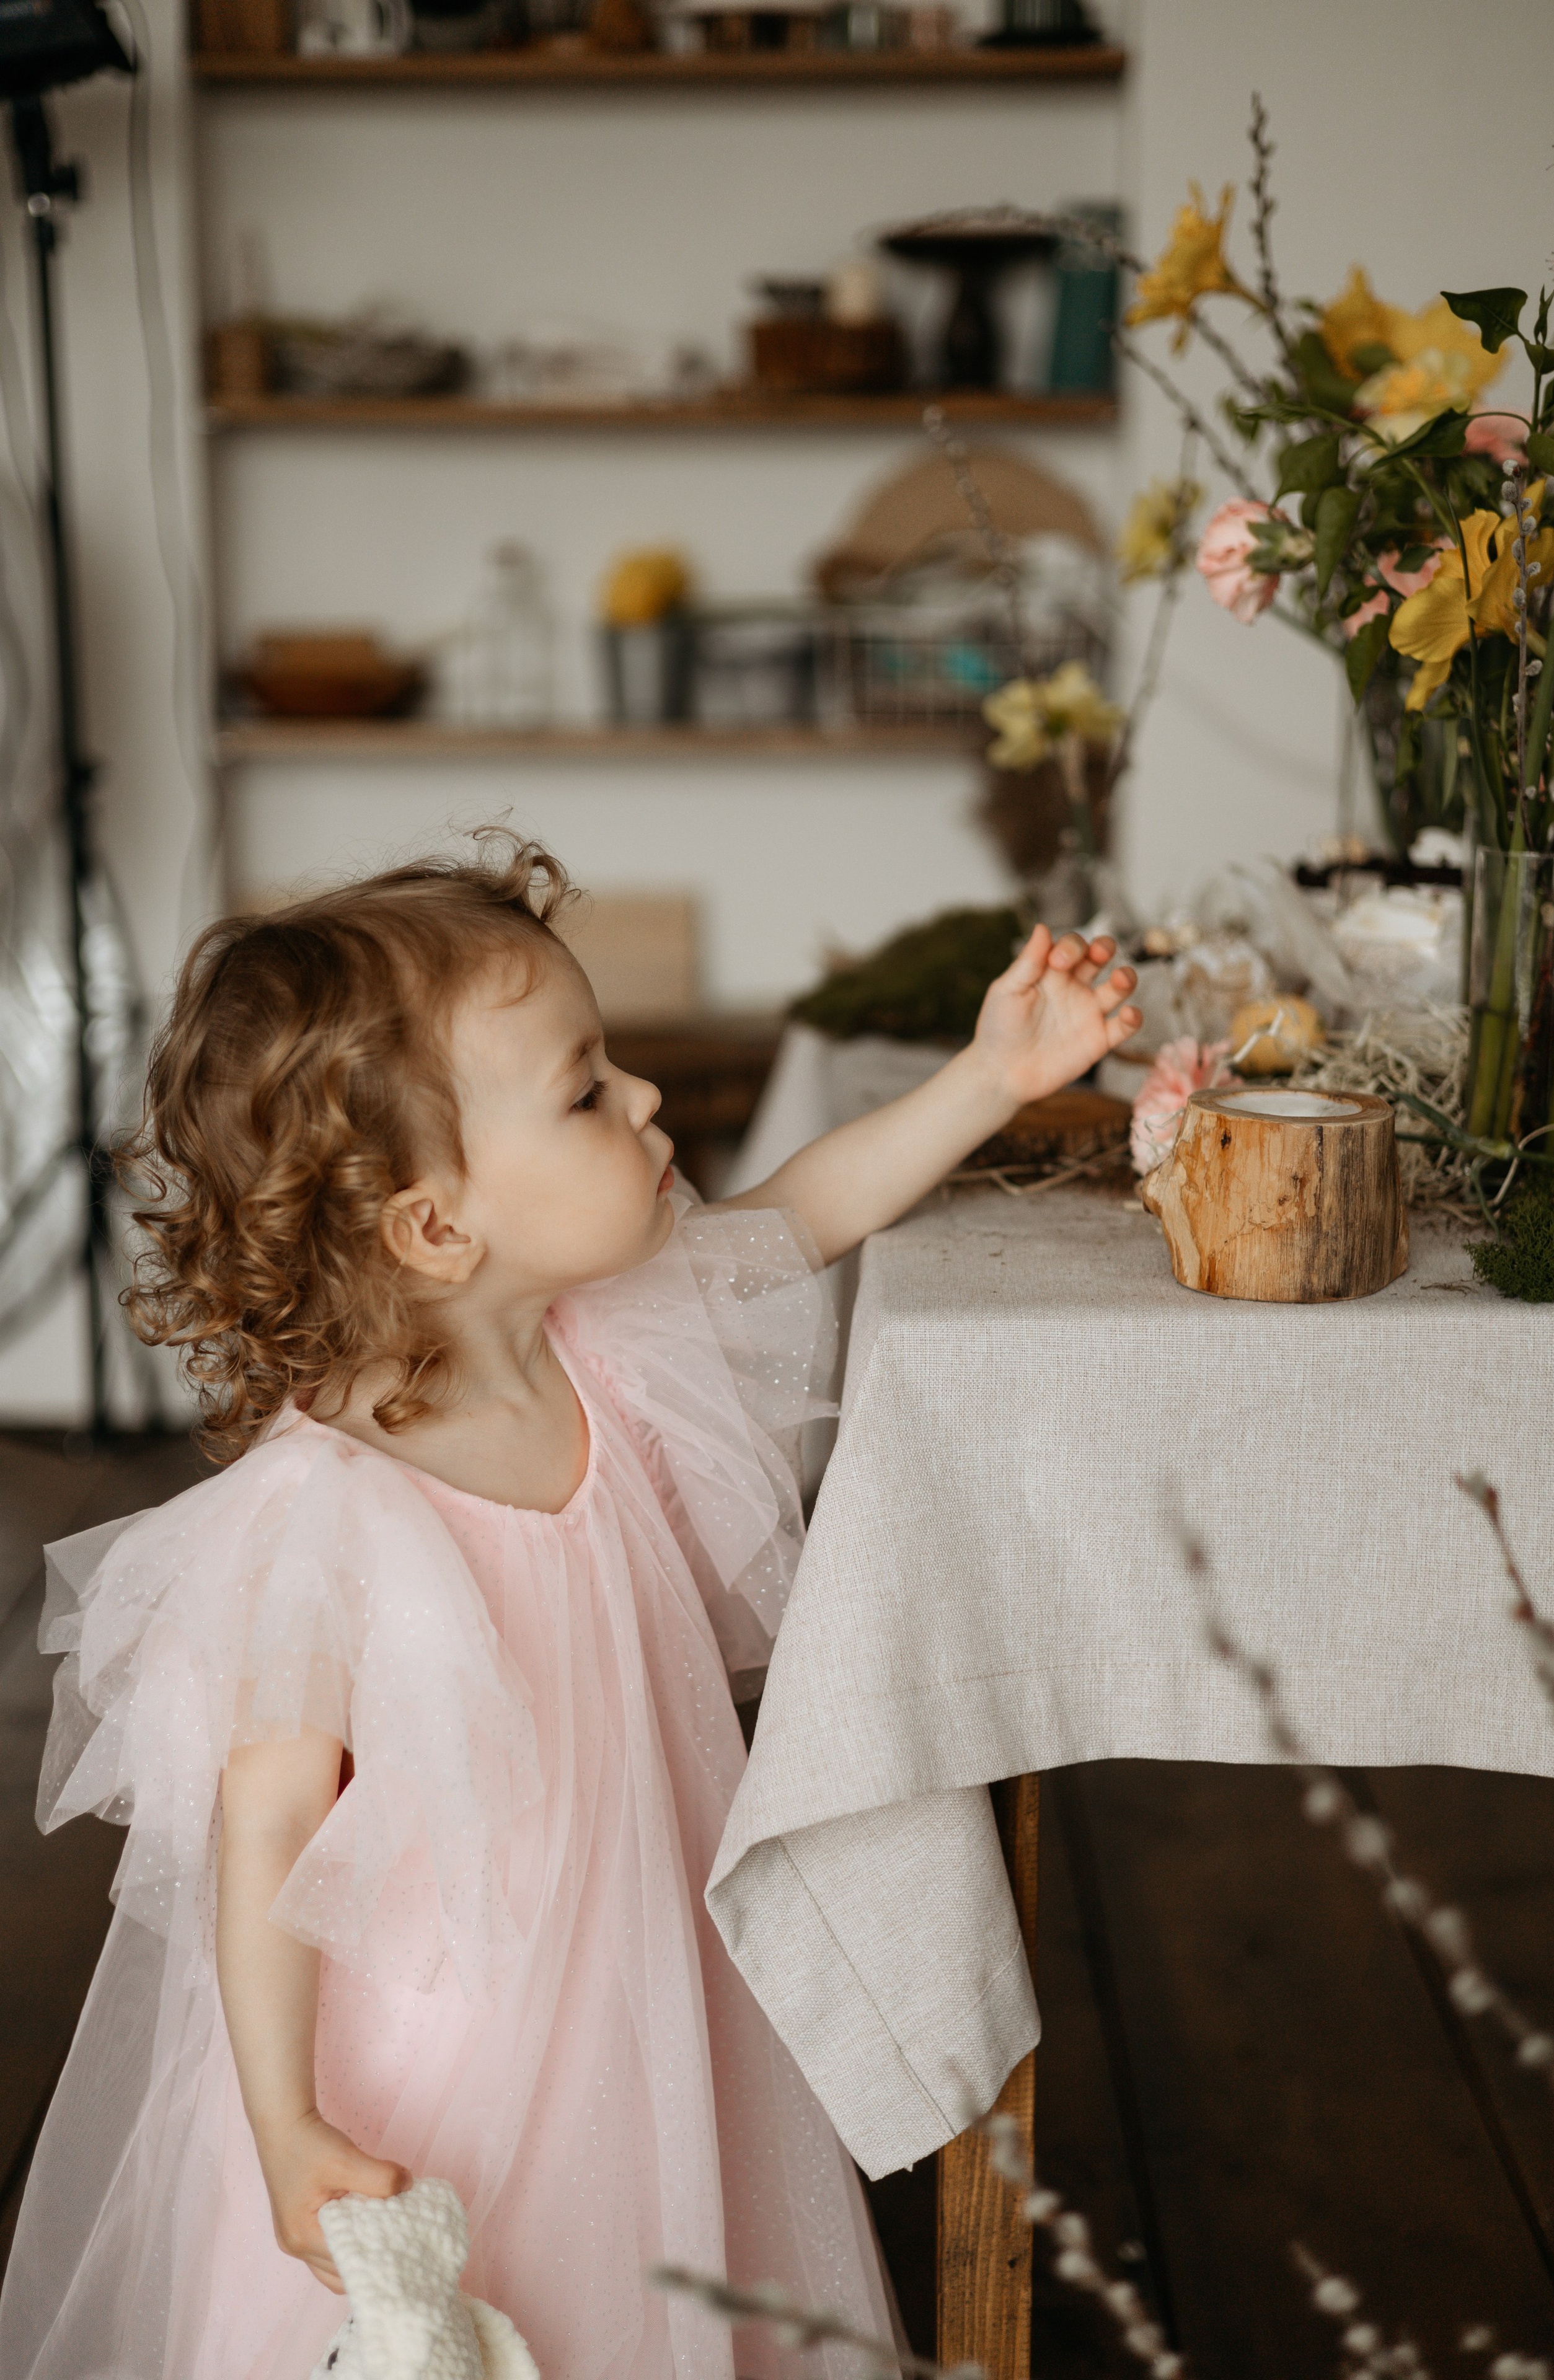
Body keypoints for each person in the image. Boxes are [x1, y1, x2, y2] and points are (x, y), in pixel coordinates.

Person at [0, 835, 1139, 2380]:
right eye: (587, 1092)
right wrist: (284, 2120)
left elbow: (803, 1211)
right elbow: (265, 1827)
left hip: (645, 1981)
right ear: (435, 1228)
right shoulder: (326, 1518)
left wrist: (994, 1074)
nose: (646, 1100)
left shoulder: (610, 1348)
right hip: (436, 2055)